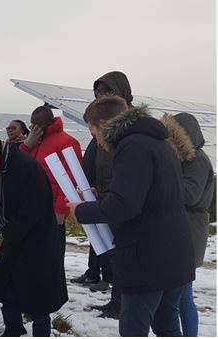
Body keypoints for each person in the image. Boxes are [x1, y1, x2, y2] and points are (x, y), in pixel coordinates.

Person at [68, 96, 195, 336]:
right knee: (167, 327)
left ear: (104, 125)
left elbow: (124, 206)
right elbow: (145, 195)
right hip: (175, 254)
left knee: (132, 329)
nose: (98, 143)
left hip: (148, 258)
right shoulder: (157, 142)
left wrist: (80, 210)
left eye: (94, 135)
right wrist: (104, 197)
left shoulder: (131, 147)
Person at [0, 130, 67, 337]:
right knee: (8, 288)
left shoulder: (24, 167)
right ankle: (13, 330)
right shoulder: (5, 165)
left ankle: (41, 333)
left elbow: (34, 210)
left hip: (36, 243)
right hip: (15, 239)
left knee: (39, 298)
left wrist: (9, 233)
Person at [71, 71, 134, 318]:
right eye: (97, 93)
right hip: (106, 197)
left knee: (122, 257)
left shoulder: (128, 130)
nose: (101, 96)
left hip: (119, 202)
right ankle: (116, 301)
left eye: (106, 92)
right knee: (113, 255)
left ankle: (123, 304)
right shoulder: (106, 131)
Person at [161, 112, 214, 336]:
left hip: (190, 230)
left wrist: (161, 182)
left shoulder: (197, 160)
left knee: (183, 294)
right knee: (179, 293)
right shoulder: (185, 159)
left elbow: (190, 194)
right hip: (184, 228)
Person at [20, 105, 82, 255]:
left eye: (38, 124)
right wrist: (27, 145)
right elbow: (19, 166)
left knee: (52, 256)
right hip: (32, 209)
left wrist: (60, 210)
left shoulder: (67, 142)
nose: (34, 128)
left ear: (49, 122)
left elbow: (71, 178)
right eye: (32, 124)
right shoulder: (35, 142)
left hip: (52, 211)